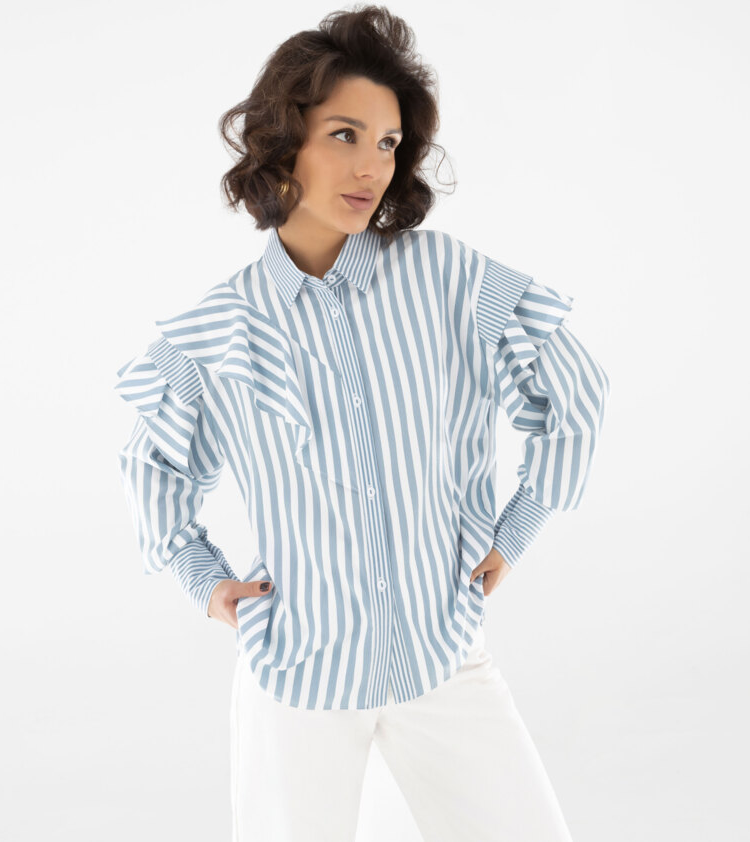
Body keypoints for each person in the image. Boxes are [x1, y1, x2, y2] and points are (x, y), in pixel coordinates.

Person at [114, 6, 610, 841]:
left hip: (442, 658)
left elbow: (575, 391)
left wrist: (515, 529)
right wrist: (209, 583)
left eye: (387, 143)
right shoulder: (220, 330)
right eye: (345, 134)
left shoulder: (448, 278)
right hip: (297, 679)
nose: (371, 166)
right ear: (284, 141)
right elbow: (152, 468)